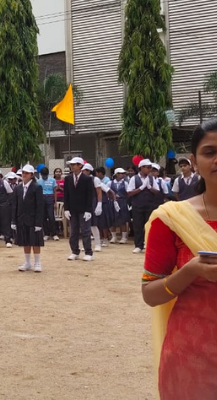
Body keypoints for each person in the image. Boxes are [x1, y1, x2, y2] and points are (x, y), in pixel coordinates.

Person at [141, 119, 217, 399]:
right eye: (210, 152)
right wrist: (190, 271)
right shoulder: (172, 219)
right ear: (194, 162)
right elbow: (150, 294)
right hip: (192, 356)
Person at [12, 165, 44, 272]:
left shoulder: (37, 187)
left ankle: (37, 262)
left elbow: (40, 206)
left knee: (35, 241)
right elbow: (15, 205)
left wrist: (38, 222)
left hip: (33, 219)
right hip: (21, 218)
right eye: (23, 172)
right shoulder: (18, 188)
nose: (24, 174)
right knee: (25, 241)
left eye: (26, 173)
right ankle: (27, 262)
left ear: (31, 175)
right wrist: (14, 220)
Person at [63, 157, 95, 262]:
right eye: (71, 165)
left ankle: (88, 252)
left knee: (85, 231)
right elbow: (66, 195)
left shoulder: (87, 179)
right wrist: (66, 208)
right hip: (72, 209)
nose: (72, 166)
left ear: (80, 165)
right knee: (73, 231)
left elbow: (90, 195)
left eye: (74, 164)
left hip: (84, 209)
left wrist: (88, 210)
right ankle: (75, 251)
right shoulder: (68, 179)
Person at [128, 159, 161, 254]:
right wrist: (141, 188)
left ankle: (148, 244)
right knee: (138, 226)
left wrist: (150, 187)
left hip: (149, 205)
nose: (149, 169)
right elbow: (129, 193)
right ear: (141, 168)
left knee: (149, 226)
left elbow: (157, 191)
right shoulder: (134, 178)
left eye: (150, 167)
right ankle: (138, 245)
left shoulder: (151, 178)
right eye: (148, 167)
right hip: (137, 205)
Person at [37, 167, 60, 241]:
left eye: (45, 175)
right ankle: (46, 233)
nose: (44, 177)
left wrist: (55, 202)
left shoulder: (52, 180)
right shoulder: (38, 181)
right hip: (42, 198)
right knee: (43, 216)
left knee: (51, 216)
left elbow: (55, 191)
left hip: (50, 198)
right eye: (43, 175)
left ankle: (54, 234)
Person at [110, 168, 131, 244]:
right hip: (113, 202)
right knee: (112, 219)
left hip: (122, 202)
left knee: (123, 219)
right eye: (120, 173)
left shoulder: (125, 183)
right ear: (116, 174)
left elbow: (128, 193)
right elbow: (107, 191)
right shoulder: (110, 183)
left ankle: (124, 237)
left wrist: (125, 200)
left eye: (123, 173)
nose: (122, 175)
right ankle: (114, 236)